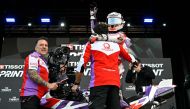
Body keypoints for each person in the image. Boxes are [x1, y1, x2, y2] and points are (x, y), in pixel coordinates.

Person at [71, 23, 136, 109]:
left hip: (98, 84)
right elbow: (130, 58)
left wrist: (76, 83)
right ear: (107, 33)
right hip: (114, 84)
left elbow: (81, 65)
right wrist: (135, 62)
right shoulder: (117, 45)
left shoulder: (91, 44)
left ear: (95, 33)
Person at [20, 37, 58, 109]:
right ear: (35, 48)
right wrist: (48, 85)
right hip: (31, 96)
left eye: (46, 45)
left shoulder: (43, 61)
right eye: (41, 45)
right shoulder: (33, 57)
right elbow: (32, 74)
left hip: (41, 98)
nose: (44, 47)